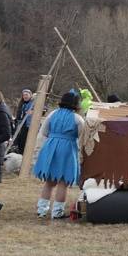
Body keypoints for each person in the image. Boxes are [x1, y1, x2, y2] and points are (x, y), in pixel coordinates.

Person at [33, 91, 85, 219]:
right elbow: (82, 136)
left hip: (50, 147)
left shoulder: (52, 114)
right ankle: (57, 212)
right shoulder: (77, 119)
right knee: (63, 182)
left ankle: (42, 210)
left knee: (49, 182)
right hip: (67, 149)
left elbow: (44, 132)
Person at [13, 88, 34, 153]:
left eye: (26, 94)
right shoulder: (21, 104)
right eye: (24, 95)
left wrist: (32, 112)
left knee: (24, 142)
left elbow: (42, 111)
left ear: (30, 95)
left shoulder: (32, 103)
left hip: (27, 126)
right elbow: (19, 115)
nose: (25, 96)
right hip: (20, 125)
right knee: (18, 141)